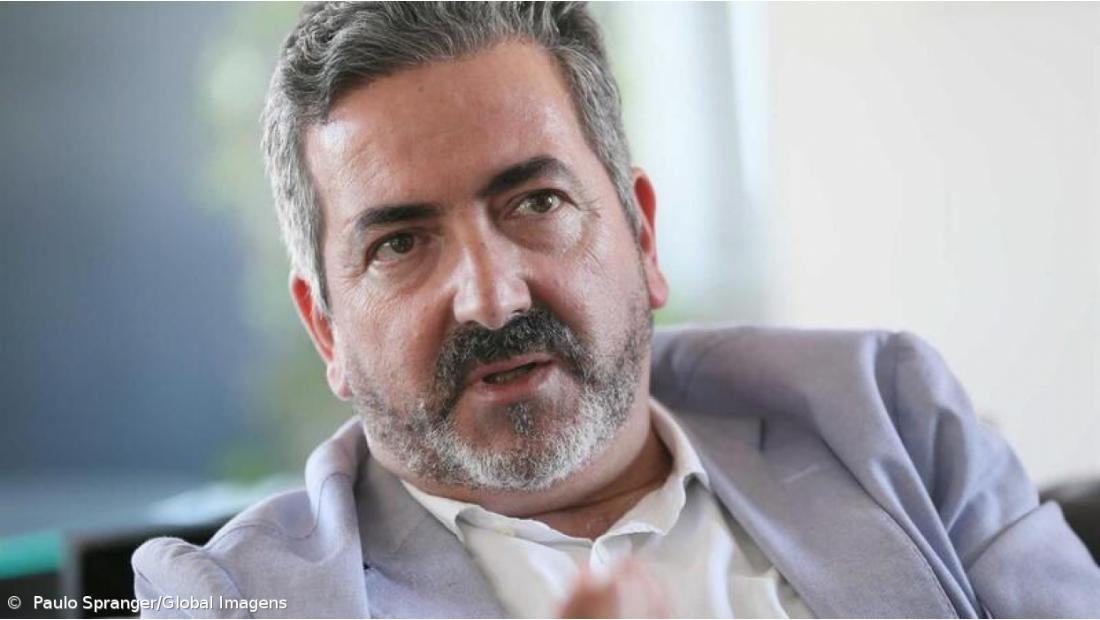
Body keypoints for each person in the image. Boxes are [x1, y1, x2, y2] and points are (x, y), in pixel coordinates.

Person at [132, 3, 1100, 618]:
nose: (491, 297)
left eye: (535, 202)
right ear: (327, 330)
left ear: (641, 232)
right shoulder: (230, 600)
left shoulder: (885, 413)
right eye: (400, 244)